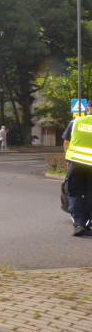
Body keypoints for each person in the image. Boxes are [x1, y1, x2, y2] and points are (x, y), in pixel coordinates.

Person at [61, 100, 92, 236]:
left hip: (77, 164)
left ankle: (79, 224)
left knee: (73, 193)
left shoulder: (76, 122)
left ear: (88, 109)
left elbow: (66, 142)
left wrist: (69, 158)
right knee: (90, 194)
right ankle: (86, 224)